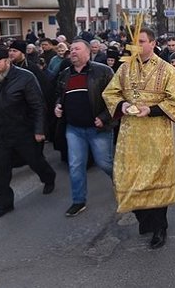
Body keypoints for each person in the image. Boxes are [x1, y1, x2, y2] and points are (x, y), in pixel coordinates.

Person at [102, 27, 175, 249]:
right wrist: (124, 104)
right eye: (134, 42)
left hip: (156, 134)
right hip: (130, 135)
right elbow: (110, 93)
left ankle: (160, 227)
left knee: (155, 181)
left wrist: (152, 109)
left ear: (153, 43)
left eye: (141, 41)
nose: (137, 46)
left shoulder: (168, 70)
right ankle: (145, 219)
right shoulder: (124, 68)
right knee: (129, 179)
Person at [0, 48, 57, 220]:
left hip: (23, 131)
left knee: (35, 161)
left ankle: (48, 177)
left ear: (7, 61)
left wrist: (39, 130)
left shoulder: (25, 77)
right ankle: (4, 204)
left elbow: (38, 106)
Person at [53, 40, 115, 217]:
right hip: (74, 129)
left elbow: (115, 98)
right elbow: (59, 95)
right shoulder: (65, 74)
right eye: (71, 49)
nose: (72, 51)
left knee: (105, 163)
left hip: (98, 129)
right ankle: (78, 201)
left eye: (76, 49)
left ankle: (122, 185)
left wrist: (103, 118)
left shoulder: (103, 72)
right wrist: (57, 106)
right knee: (75, 166)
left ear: (88, 53)